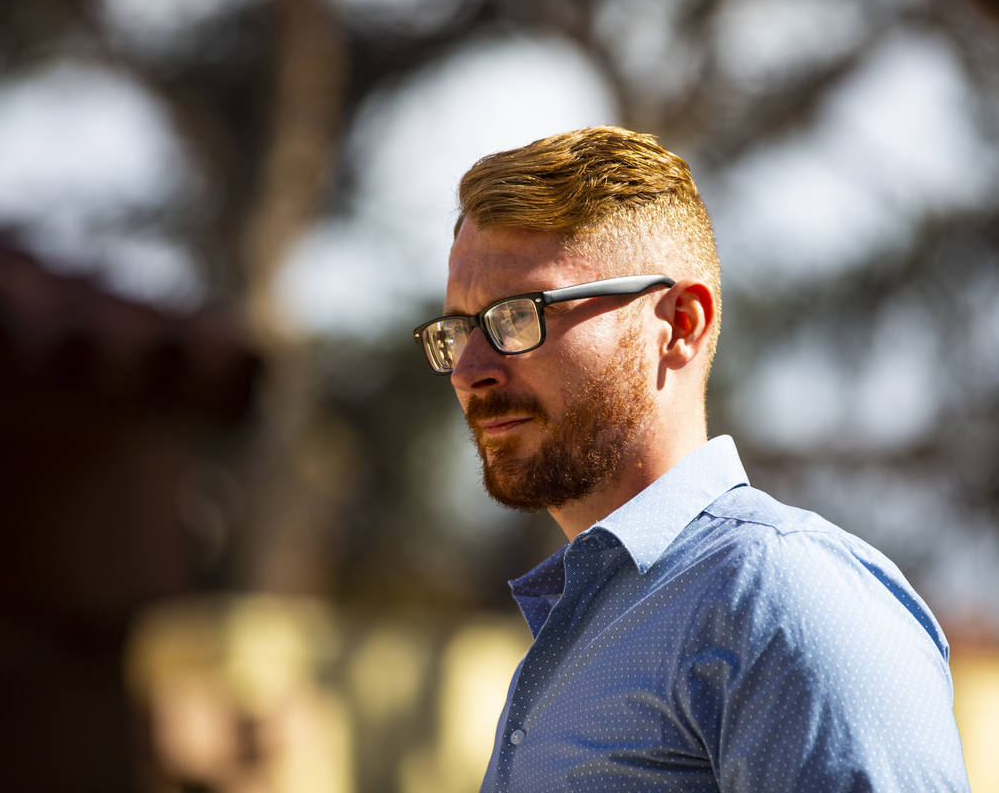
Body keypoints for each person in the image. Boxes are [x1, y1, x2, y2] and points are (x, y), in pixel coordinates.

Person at [412, 126, 970, 792]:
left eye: (516, 316)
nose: (470, 369)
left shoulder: (781, 598)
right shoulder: (592, 618)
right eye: (458, 329)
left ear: (678, 323)